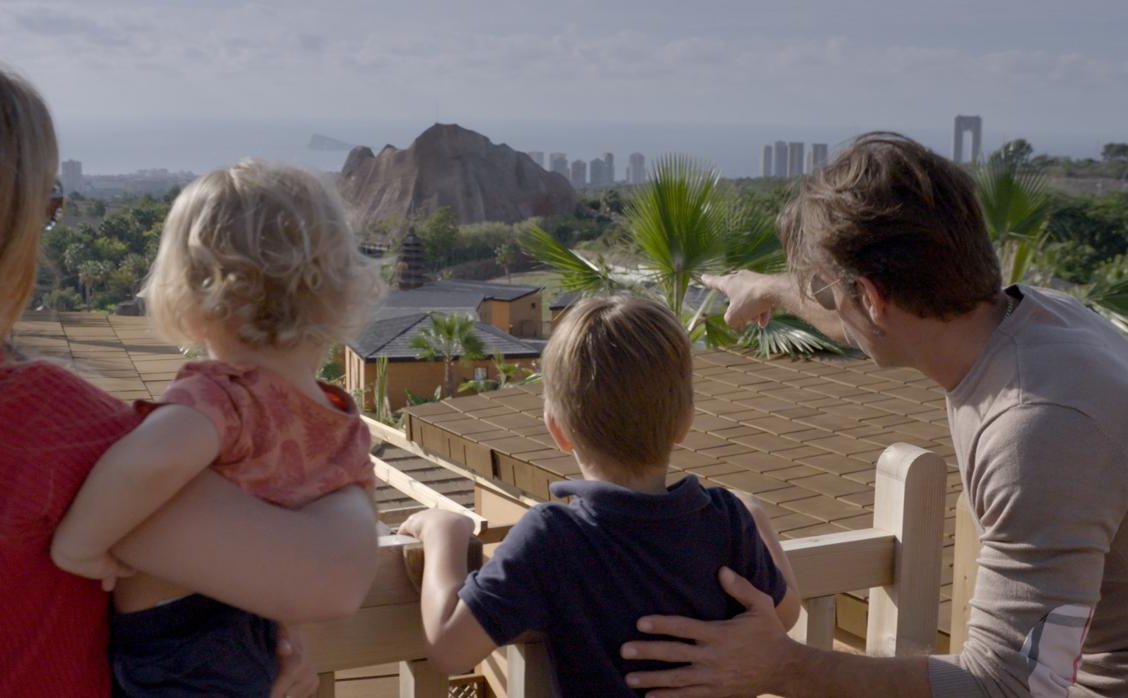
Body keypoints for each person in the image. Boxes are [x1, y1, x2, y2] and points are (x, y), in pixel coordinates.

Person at [0, 53, 378, 698]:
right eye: (49, 207)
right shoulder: (41, 427)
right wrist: (348, 473)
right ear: (0, 227)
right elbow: (331, 580)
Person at [621, 132, 1128, 698]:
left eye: (826, 290)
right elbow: (863, 312)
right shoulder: (1038, 319)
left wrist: (779, 666)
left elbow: (1003, 687)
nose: (825, 302)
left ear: (871, 296)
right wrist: (774, 288)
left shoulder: (1035, 428)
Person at [52, 159, 384, 696]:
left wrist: (80, 543)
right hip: (254, 639)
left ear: (190, 290)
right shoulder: (337, 419)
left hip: (178, 649)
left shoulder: (224, 396)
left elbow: (153, 459)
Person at [399, 296, 801, 697]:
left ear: (557, 431)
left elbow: (451, 649)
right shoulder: (726, 520)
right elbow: (784, 614)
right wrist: (754, 513)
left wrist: (443, 533)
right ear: (685, 420)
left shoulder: (552, 538)